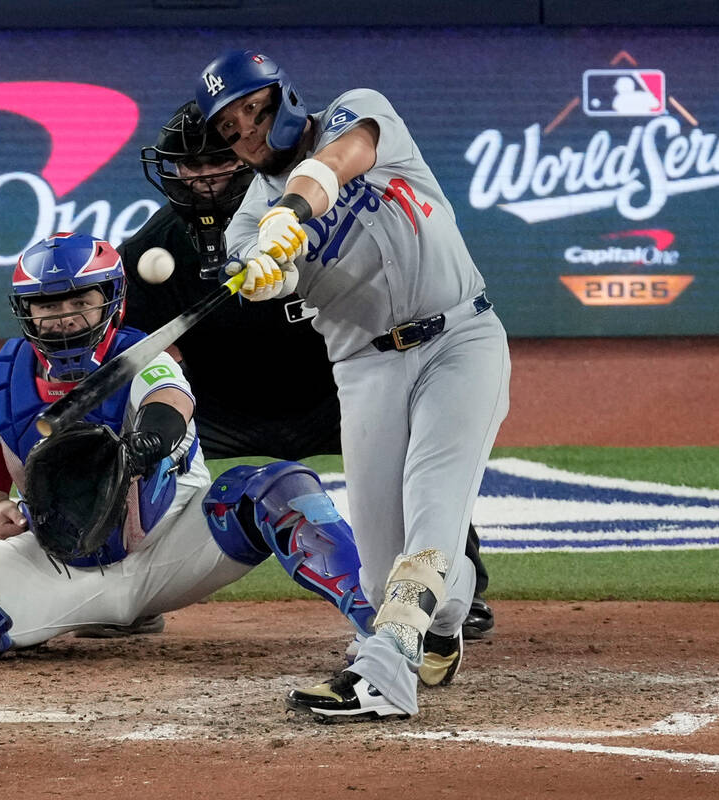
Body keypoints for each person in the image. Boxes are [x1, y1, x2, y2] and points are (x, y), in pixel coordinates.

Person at [193, 50, 511, 721]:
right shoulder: (248, 221)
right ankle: (443, 629)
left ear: (283, 96)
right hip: (366, 369)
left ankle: (384, 674)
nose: (247, 131)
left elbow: (339, 160)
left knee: (431, 509)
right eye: (230, 128)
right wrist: (263, 270)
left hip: (460, 339)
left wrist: (293, 212)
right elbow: (271, 271)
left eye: (253, 109)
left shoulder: (356, 111)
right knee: (377, 575)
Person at [0, 231, 376, 664]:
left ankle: (379, 625)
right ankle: (93, 614)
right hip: (64, 560)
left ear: (110, 301)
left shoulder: (144, 356)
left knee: (275, 489)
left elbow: (170, 401)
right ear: (27, 312)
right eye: (48, 305)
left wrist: (145, 443)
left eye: (79, 301)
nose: (63, 317)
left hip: (175, 545)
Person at [119, 99, 496, 641]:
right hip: (221, 405)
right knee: (138, 441)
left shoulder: (320, 203)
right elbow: (131, 344)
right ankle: (131, 591)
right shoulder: (152, 247)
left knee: (426, 468)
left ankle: (459, 592)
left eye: (213, 162)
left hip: (332, 396)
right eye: (189, 166)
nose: (200, 179)